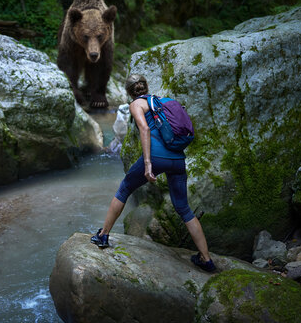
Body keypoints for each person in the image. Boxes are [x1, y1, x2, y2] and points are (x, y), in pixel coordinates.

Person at [91, 74, 216, 272]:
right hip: (177, 159)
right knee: (184, 209)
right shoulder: (164, 102)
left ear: (129, 92)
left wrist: (148, 164)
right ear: (146, 86)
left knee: (124, 189)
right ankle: (206, 259)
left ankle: (103, 235)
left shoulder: (136, 104)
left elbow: (145, 128)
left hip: (157, 157)